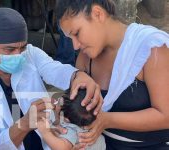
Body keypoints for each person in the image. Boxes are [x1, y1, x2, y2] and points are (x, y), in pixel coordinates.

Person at [0, 8, 103, 150]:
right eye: (10, 49)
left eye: (22, 47)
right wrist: (24, 124)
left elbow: (55, 70)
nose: (18, 55)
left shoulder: (30, 53)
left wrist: (77, 76)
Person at [56, 0, 169, 149]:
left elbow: (165, 115)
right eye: (70, 38)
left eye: (77, 33)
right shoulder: (85, 58)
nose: (75, 45)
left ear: (98, 14)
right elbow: (79, 109)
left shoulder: (150, 47)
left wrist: (108, 120)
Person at [37, 89, 106, 150]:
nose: (55, 102)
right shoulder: (89, 117)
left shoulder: (71, 130)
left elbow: (62, 148)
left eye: (58, 104)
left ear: (66, 120)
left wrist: (46, 132)